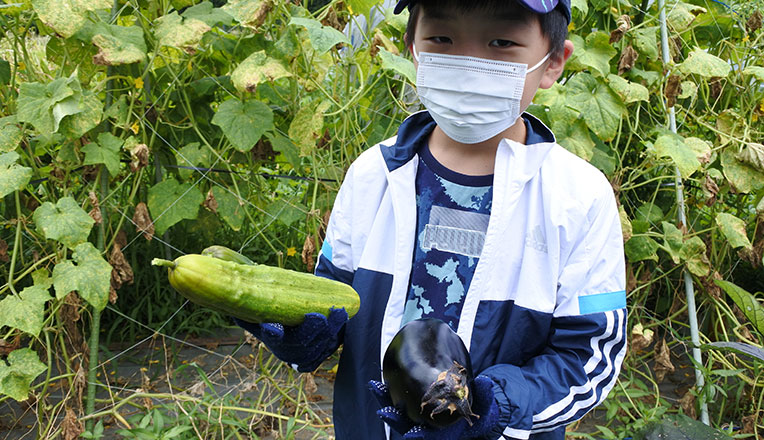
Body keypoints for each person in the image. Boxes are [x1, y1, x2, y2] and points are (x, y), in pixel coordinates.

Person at [237, 0, 627, 438]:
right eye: (442, 39)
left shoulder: (578, 198)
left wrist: (498, 402)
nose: (467, 64)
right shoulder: (372, 175)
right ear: (413, 48)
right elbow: (331, 303)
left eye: (501, 42)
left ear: (552, 62)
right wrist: (304, 341)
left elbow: (588, 358)